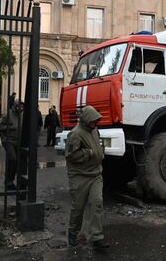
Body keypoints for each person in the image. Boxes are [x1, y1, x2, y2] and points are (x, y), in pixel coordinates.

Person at [65, 105, 110, 250]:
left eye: (96, 120)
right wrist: (88, 153)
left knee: (97, 203)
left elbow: (98, 146)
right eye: (92, 121)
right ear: (85, 120)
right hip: (80, 176)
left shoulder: (95, 130)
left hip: (95, 174)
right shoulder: (75, 134)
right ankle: (73, 231)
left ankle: (97, 238)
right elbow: (70, 155)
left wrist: (100, 153)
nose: (95, 123)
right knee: (78, 208)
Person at [0, 102, 24, 190]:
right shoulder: (8, 114)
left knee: (15, 162)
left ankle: (9, 181)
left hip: (18, 141)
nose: (21, 108)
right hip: (8, 141)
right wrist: (10, 128)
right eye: (19, 106)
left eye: (22, 106)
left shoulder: (23, 115)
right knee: (13, 158)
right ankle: (9, 181)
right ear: (15, 106)